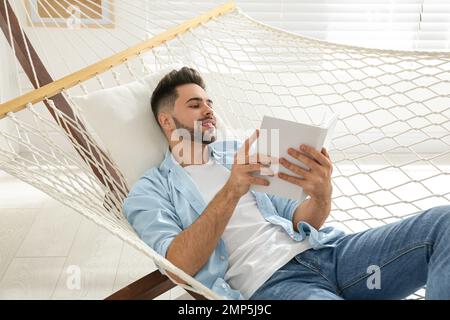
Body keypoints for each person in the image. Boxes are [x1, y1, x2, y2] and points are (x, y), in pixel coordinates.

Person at [123, 67, 450, 300]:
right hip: (273, 286)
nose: (209, 111)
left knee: (443, 223)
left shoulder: (239, 152)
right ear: (167, 121)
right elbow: (177, 266)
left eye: (209, 103)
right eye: (195, 105)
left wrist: (322, 194)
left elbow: (301, 220)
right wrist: (233, 189)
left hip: (327, 254)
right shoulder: (149, 192)